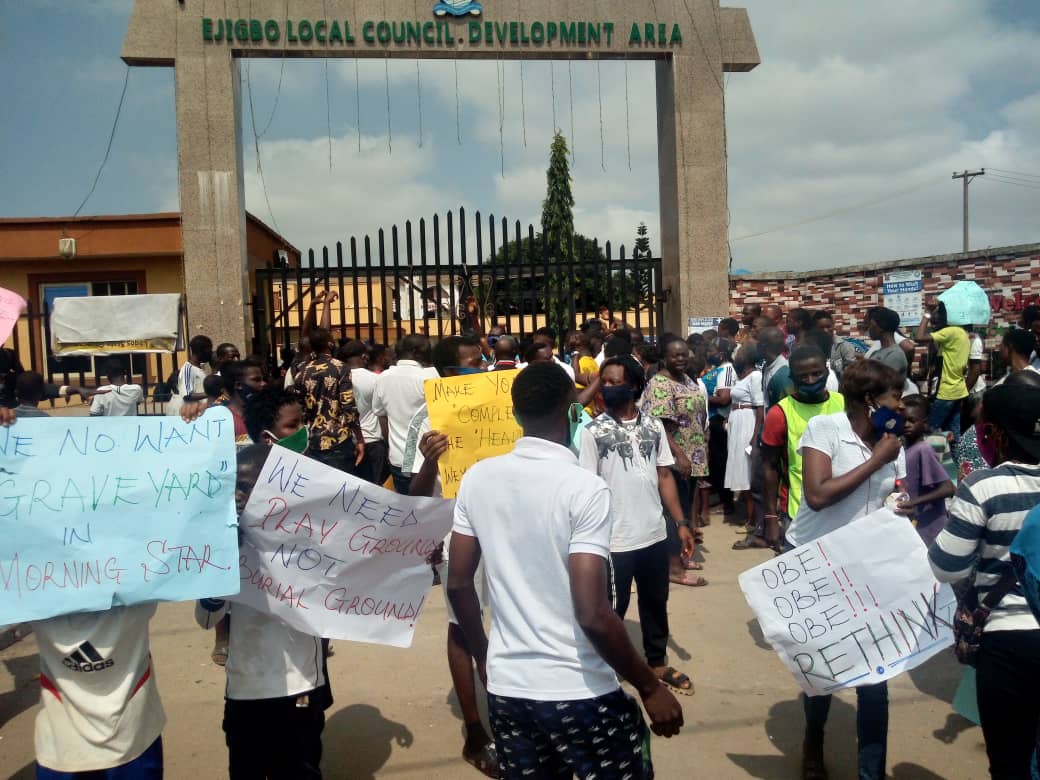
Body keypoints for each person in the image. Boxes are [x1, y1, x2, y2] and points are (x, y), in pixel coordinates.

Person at [446, 363, 683, 780]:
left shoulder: (477, 478)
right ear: (571, 410)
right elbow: (592, 612)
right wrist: (649, 686)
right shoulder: (583, 488)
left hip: (507, 689)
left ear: (516, 414)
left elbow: (460, 582)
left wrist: (484, 655)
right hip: (578, 690)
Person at [787, 360, 906, 780]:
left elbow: (891, 497)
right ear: (871, 401)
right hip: (818, 564)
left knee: (877, 679)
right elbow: (818, 495)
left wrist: (901, 507)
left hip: (867, 568)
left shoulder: (894, 443)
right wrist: (876, 461)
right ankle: (813, 742)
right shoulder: (825, 430)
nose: (902, 406)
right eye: (896, 398)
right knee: (824, 670)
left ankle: (870, 773)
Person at [929, 379, 1040, 780]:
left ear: (993, 433)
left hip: (1008, 640)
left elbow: (947, 566)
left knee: (1009, 762)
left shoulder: (985, 486)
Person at [197, 445, 330, 779]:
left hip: (298, 685)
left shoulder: (308, 541)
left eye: (246, 487)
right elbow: (206, 618)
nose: (238, 497)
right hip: (245, 688)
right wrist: (219, 572)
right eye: (235, 488)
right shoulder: (225, 542)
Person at [405, 335, 499, 778]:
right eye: (467, 364)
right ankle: (476, 728)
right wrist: (428, 462)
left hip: (509, 532)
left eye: (480, 361)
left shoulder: (503, 403)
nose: (479, 369)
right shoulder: (424, 421)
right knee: (463, 626)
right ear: (444, 371)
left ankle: (514, 706)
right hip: (458, 539)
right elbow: (415, 498)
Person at [579, 356, 696, 696]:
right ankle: (608, 667)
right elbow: (587, 487)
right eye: (605, 382)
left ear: (633, 385)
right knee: (613, 608)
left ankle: (656, 661)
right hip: (615, 539)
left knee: (655, 601)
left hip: (654, 534)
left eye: (615, 382)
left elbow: (664, 475)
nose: (608, 388)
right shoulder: (592, 432)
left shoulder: (654, 426)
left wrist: (681, 523)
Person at [749, 345, 845, 553]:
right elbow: (769, 467)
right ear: (792, 376)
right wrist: (771, 518)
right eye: (803, 376)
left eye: (816, 373)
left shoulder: (843, 404)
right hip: (798, 511)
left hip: (843, 506)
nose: (810, 381)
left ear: (827, 372)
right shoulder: (780, 413)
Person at [641, 337, 709, 586]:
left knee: (686, 505)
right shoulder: (660, 383)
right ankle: (673, 567)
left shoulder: (687, 379)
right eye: (675, 355)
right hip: (673, 457)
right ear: (665, 357)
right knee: (673, 511)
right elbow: (658, 425)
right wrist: (679, 454)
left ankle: (683, 554)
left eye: (684, 355)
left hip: (694, 454)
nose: (681, 359)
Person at [293, 327, 365, 474]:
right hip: (339, 440)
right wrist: (359, 438)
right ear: (330, 345)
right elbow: (348, 405)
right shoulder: (340, 368)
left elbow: (299, 407)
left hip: (313, 441)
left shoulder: (302, 372)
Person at [372, 333, 437, 494]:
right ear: (416, 352)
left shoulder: (383, 378)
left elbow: (381, 415)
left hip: (399, 459)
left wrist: (390, 445)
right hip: (427, 460)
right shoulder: (432, 376)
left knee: (407, 512)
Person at [895, 395, 954, 545]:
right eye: (904, 420)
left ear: (924, 423)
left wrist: (914, 502)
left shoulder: (923, 449)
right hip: (916, 524)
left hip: (929, 525)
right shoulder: (903, 449)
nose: (907, 425)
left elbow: (948, 488)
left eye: (912, 421)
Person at [915, 301, 970, 440]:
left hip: (945, 391)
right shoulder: (962, 333)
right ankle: (956, 461)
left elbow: (919, 337)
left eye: (939, 313)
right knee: (954, 434)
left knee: (929, 431)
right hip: (957, 390)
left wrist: (927, 313)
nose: (936, 316)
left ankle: (929, 460)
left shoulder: (950, 332)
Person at [337, 340, 388, 485]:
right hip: (373, 441)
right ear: (364, 357)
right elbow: (384, 413)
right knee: (377, 489)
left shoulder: (339, 379)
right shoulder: (375, 379)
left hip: (348, 442)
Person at [724, 345, 763, 525]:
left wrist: (755, 436)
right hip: (737, 423)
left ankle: (753, 520)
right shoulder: (742, 377)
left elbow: (760, 407)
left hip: (748, 423)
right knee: (741, 468)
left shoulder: (755, 376)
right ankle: (750, 517)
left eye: (739, 353)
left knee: (747, 471)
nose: (735, 355)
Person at [703, 338, 738, 519]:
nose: (708, 354)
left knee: (720, 464)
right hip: (714, 420)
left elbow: (724, 398)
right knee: (718, 464)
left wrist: (699, 396)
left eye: (711, 350)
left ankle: (727, 503)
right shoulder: (719, 370)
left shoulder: (726, 370)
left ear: (721, 354)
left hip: (719, 420)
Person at [221, 360, 266, 445]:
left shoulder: (266, 415)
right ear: (238, 385)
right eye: (256, 380)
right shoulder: (222, 420)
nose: (263, 383)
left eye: (263, 379)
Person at [167, 334, 212, 414]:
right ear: (201, 351)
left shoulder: (199, 369)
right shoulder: (187, 369)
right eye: (209, 350)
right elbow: (187, 395)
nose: (211, 353)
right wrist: (210, 393)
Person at [813, 310, 857, 379]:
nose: (825, 331)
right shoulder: (811, 348)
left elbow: (852, 374)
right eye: (821, 328)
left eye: (828, 327)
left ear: (833, 326)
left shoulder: (844, 346)